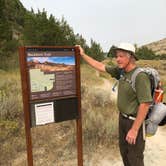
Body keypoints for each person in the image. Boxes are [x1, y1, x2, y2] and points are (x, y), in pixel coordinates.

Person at [77, 43, 153, 166]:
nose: (117, 59)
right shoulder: (121, 72)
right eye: (117, 56)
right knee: (125, 154)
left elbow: (145, 104)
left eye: (121, 56)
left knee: (135, 158)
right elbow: (100, 66)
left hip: (134, 122)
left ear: (131, 57)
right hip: (122, 119)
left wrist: (134, 130)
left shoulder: (140, 76)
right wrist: (83, 54)